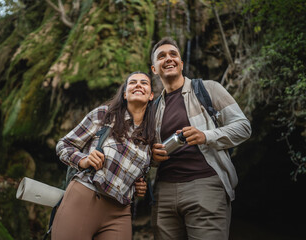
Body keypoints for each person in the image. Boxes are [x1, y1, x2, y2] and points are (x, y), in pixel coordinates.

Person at [150, 37, 252, 240]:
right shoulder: (153, 108)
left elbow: (243, 127)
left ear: (181, 62)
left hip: (205, 184)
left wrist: (205, 136)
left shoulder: (209, 89)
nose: (168, 59)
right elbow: (145, 155)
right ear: (154, 69)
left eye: (173, 54)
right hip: (163, 192)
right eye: (161, 56)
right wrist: (153, 156)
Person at [52, 71, 154, 240]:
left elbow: (134, 172)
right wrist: (83, 160)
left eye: (144, 83)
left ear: (151, 96)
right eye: (133, 82)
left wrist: (138, 186)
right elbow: (64, 145)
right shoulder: (105, 115)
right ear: (124, 94)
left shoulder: (150, 135)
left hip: (120, 212)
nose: (138, 85)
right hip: (86, 196)